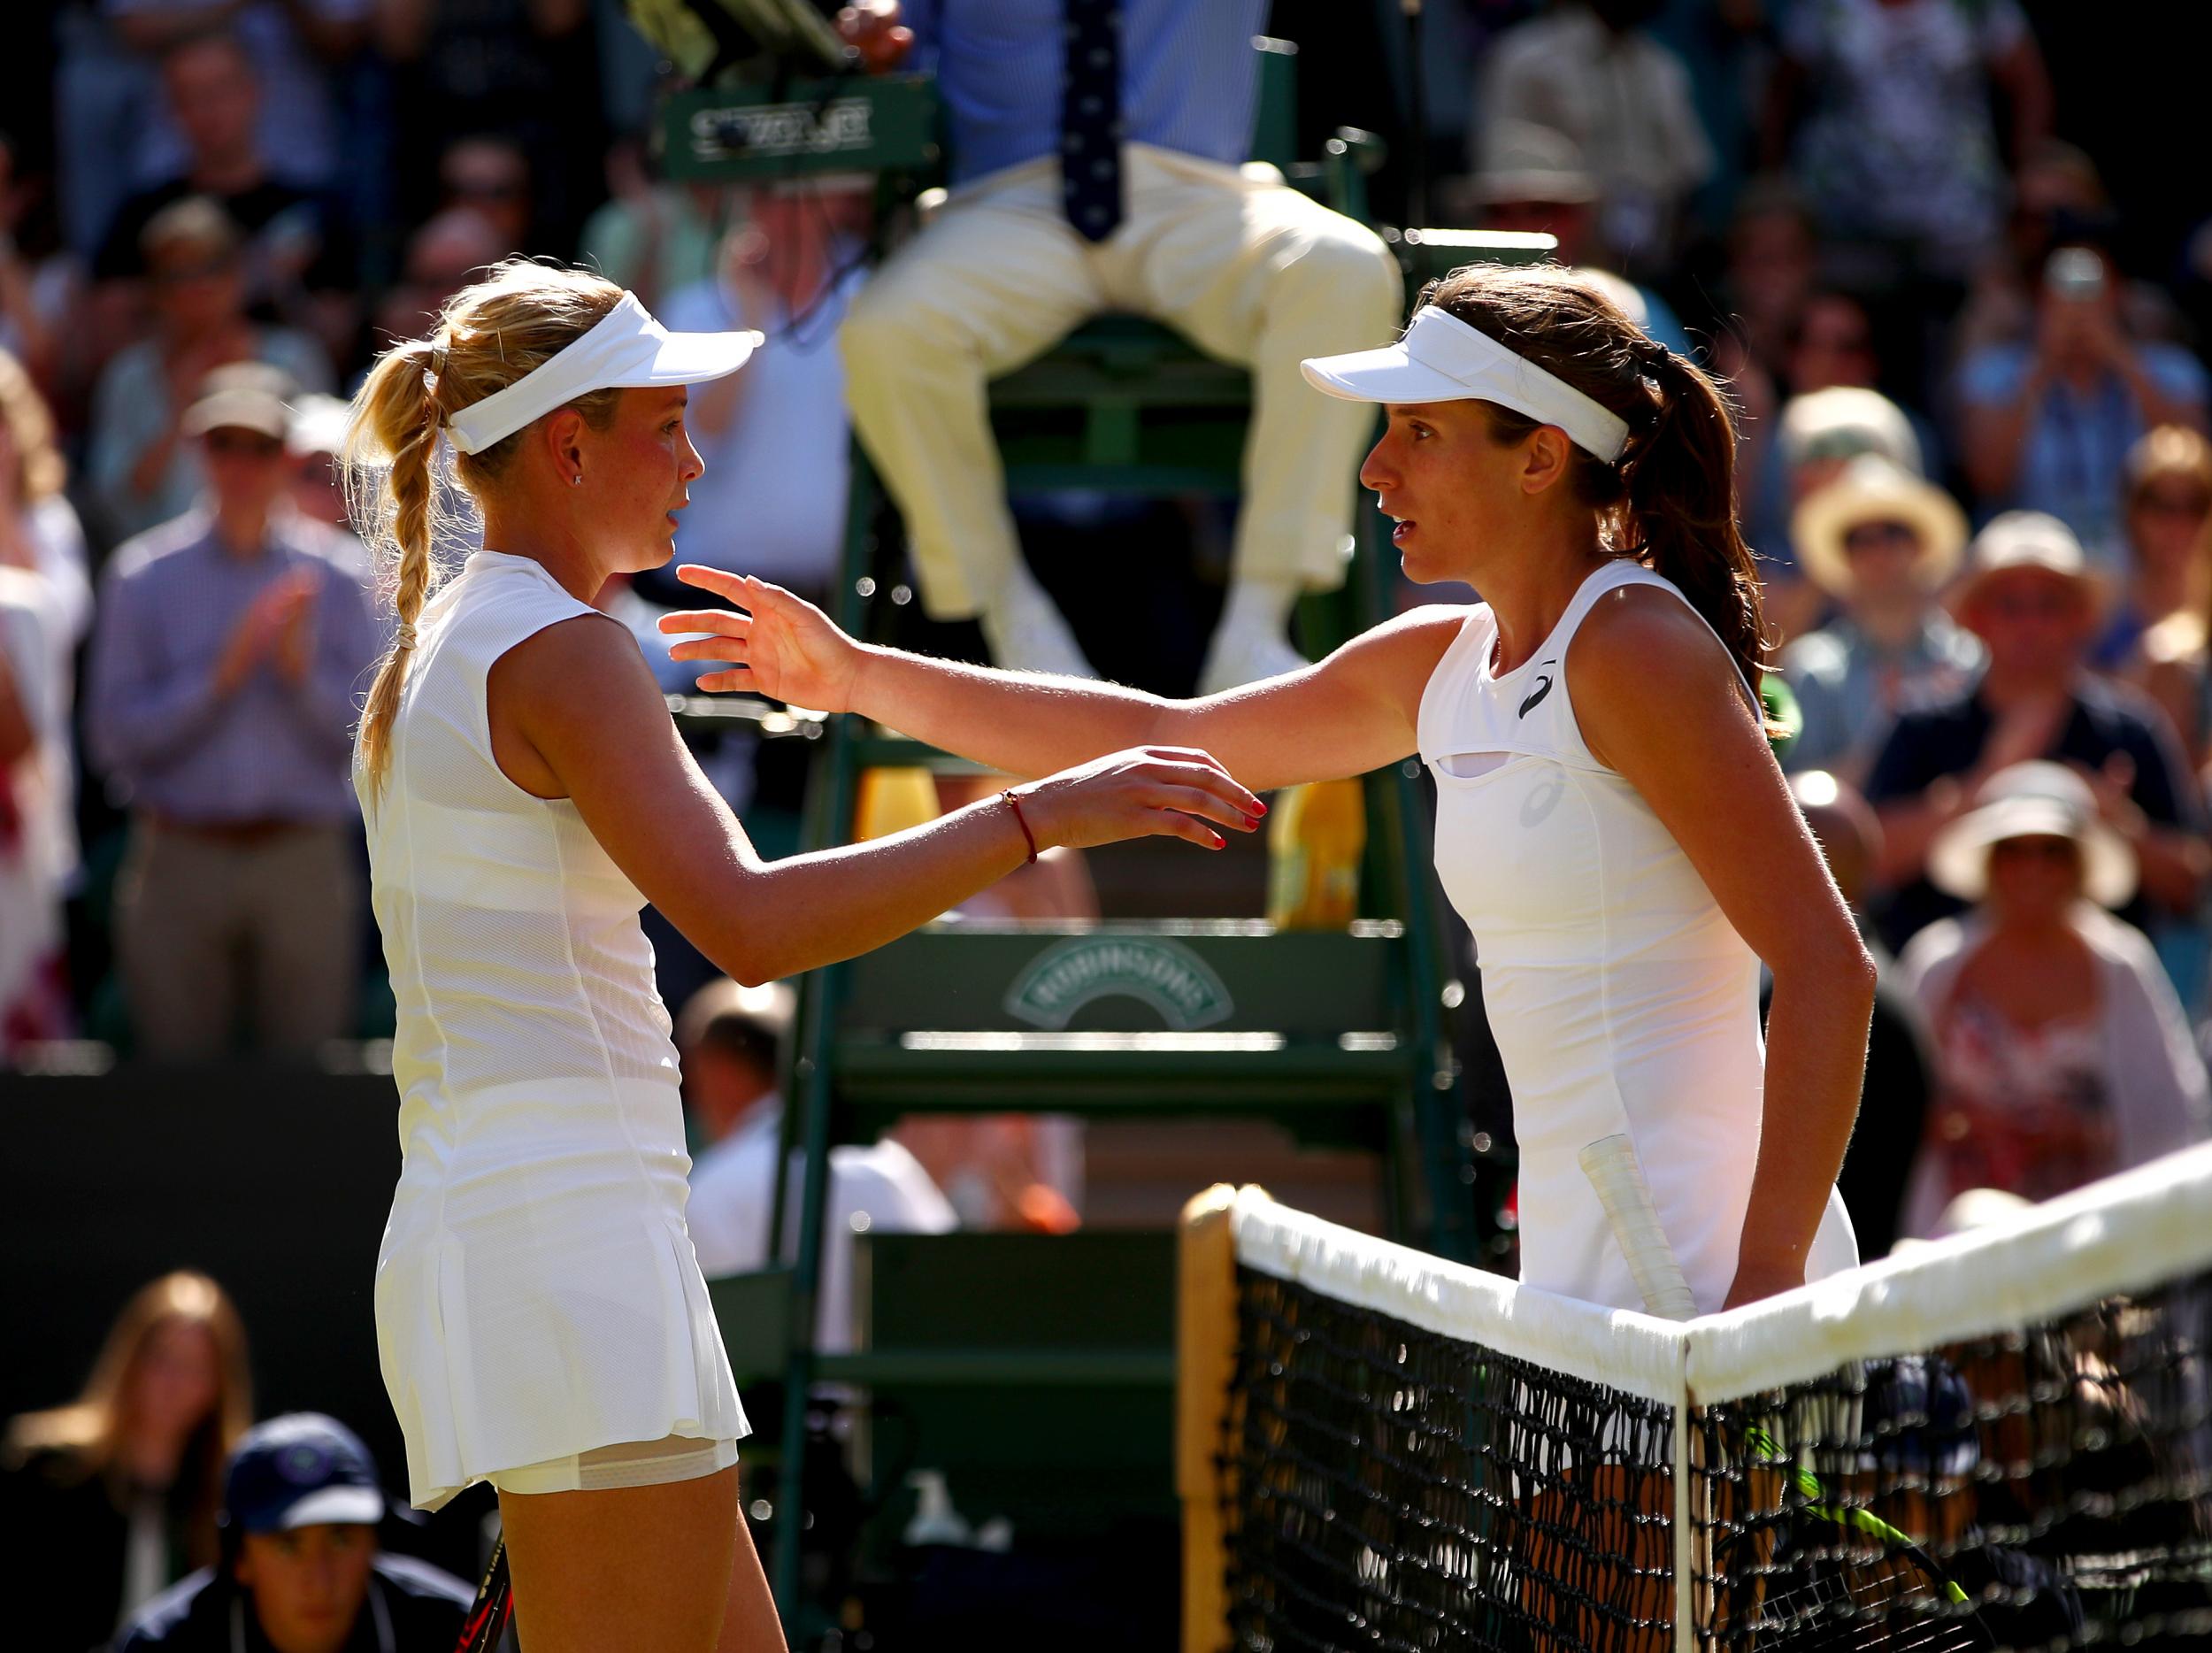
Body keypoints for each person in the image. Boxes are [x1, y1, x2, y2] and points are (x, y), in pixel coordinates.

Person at [342, 258, 1260, 1652]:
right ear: (568, 443)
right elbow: (751, 926)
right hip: (569, 1250)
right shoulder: (564, 652)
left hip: (559, 1238)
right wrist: (1040, 814)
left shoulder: (462, 645)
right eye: (666, 424)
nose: (697, 458)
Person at [666, 261, 1873, 1317]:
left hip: (1709, 1277)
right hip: (1578, 1277)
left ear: (1540, 460)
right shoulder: (1443, 664)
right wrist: (858, 675)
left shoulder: (1636, 649)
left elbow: (1828, 968)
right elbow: (1164, 732)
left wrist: (1763, 1286)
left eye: (1419, 434)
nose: (1376, 469)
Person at [833, 0, 1404, 694]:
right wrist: (874, 46)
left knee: (1344, 266)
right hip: (1009, 206)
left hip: (1202, 198)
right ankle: (1012, 623)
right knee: (888, 328)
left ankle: (1256, 627)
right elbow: (898, 46)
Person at [85, 365, 380, 1060]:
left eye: (259, 446)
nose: (242, 465)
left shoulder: (343, 576)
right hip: (179, 854)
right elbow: (112, 740)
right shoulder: (143, 575)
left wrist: (299, 677)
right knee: (177, 1092)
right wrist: (220, 678)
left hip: (301, 855)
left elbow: (371, 739)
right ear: (199, 453)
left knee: (307, 1092)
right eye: (225, 445)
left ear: (285, 456)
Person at [1863, 511, 2208, 957]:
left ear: (2080, 619)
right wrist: (1984, 784)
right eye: (2011, 605)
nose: (2030, 624)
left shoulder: (2131, 729)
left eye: (2049, 606)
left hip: (2102, 1008)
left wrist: (2117, 822)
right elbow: (1870, 863)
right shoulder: (1922, 727)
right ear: (1977, 619)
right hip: (1942, 1006)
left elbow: (2192, 882)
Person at [1896, 761, 2210, 1237]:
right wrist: (1967, 1126)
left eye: (2052, 852)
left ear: (2078, 863)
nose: (2033, 869)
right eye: (2014, 852)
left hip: (2096, 1241)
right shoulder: (1938, 963)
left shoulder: (2121, 965)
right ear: (1990, 861)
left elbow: (2167, 1113)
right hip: (1951, 1237)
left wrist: (2080, 1134)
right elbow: (1893, 1106)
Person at [677, 979, 956, 1352]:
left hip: (765, 1409)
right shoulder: (893, 1166)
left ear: (722, 1070)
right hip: (894, 1405)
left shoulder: (709, 1187)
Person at [0, 1272, 253, 1649]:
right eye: (163, 1359)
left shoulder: (228, 1496)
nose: (175, 1383)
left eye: (196, 1367)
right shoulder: (48, 1471)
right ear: (130, 1360)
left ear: (220, 1384)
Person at [84, 196, 333, 544]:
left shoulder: (295, 358)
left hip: (281, 557)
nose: (193, 290)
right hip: (166, 573)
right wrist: (182, 409)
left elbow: (322, 479)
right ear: (155, 291)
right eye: (175, 276)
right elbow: (115, 503)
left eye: (209, 270)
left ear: (237, 275)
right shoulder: (128, 376)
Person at [116, 1413, 472, 1653]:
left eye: (340, 1539)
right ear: (240, 1559)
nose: (319, 1580)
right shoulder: (159, 1645)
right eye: (288, 1546)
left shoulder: (458, 1627)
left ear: (374, 1543)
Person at [1764, 0, 2051, 283]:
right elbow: (1782, 92)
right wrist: (1775, 179)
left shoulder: (1978, 6)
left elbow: (2028, 85)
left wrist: (2026, 170)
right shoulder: (1822, 7)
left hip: (1959, 223)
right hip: (1845, 221)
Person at [1960, 244, 2208, 564]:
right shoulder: (1995, 374)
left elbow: (2193, 467)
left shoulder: (2171, 371)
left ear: (2117, 296)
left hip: (2141, 565)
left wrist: (2122, 359)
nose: (2078, 309)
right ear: (2040, 299)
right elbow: (1988, 479)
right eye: (2063, 294)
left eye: (2091, 292)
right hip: (2033, 564)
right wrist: (2043, 366)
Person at [1473, 1, 1714, 276]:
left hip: (1647, 268)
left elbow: (1689, 173)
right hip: (1545, 268)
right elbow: (1500, 182)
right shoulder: (1528, 60)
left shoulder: (1662, 68)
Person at [1780, 454, 1981, 781]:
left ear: (1919, 546)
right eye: (1858, 539)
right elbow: (1797, 796)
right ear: (1845, 556)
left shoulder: (1970, 660)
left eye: (1893, 533)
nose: (1878, 551)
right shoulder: (1811, 670)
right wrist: (1897, 744)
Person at [2095, 424, 2212, 674]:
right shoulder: (2101, 599)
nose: (2179, 524)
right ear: (2132, 512)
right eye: (2161, 505)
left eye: (2196, 506)